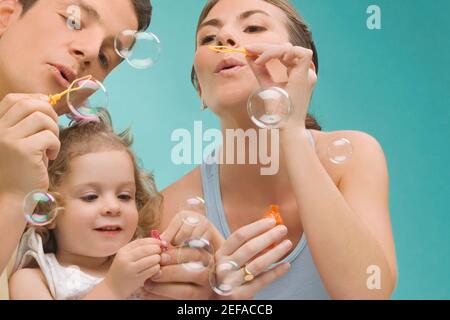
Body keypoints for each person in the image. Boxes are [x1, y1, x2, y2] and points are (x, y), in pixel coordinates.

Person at [159, 0, 398, 299]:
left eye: (253, 27)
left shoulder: (353, 157)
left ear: (304, 70)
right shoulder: (169, 209)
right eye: (209, 38)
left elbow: (367, 294)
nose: (225, 39)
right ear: (200, 91)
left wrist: (291, 127)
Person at [0, 0, 152, 298]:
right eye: (73, 20)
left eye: (106, 58)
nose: (92, 52)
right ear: (6, 15)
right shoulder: (24, 185)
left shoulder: (57, 176)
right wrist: (13, 195)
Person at [8, 112, 165, 299]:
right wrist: (112, 289)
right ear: (49, 208)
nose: (113, 207)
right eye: (90, 197)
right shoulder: (32, 280)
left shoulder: (147, 275)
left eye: (124, 196)